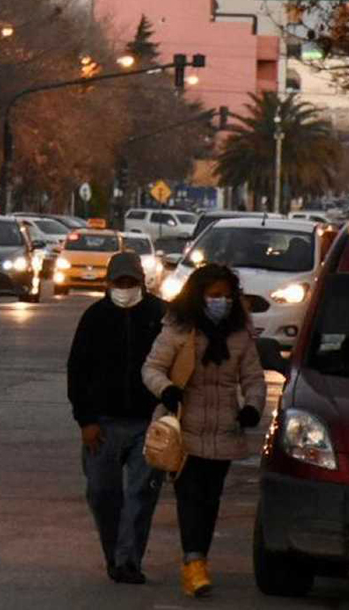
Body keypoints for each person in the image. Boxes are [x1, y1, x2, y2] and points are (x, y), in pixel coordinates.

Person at [142, 263, 266, 599]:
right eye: (214, 296)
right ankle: (193, 563)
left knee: (210, 500)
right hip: (186, 430)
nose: (221, 301)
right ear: (199, 296)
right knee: (190, 497)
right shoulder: (179, 330)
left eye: (227, 296)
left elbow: (253, 378)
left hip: (225, 431)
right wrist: (166, 389)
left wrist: (253, 406)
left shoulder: (240, 335)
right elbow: (152, 367)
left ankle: (199, 559)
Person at [68, 251, 167, 584]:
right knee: (101, 493)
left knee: (141, 495)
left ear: (142, 282)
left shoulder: (160, 315)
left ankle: (129, 561)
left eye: (131, 282)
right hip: (103, 424)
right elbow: (77, 372)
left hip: (148, 422)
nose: (126, 288)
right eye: (120, 282)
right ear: (109, 283)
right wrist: (86, 421)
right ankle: (114, 554)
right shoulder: (95, 317)